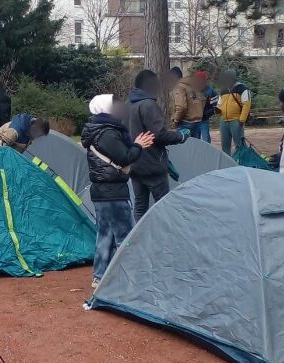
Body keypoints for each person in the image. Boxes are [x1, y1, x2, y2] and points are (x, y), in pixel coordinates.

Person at [81, 94, 153, 289]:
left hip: (101, 192)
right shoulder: (108, 133)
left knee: (105, 235)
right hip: (113, 192)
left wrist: (135, 144)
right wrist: (139, 145)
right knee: (125, 236)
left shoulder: (98, 131)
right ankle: (130, 280)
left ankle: (100, 277)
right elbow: (125, 157)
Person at [127, 69, 189, 221]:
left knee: (140, 206)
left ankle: (137, 239)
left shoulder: (127, 105)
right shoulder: (148, 105)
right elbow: (159, 135)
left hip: (134, 164)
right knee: (163, 206)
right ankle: (165, 239)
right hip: (152, 165)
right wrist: (181, 136)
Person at [217, 69, 252, 156]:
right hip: (223, 121)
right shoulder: (223, 90)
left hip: (236, 121)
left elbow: (246, 104)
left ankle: (243, 161)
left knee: (239, 144)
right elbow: (219, 103)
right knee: (225, 145)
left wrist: (242, 120)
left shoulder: (242, 88)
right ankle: (227, 163)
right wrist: (217, 109)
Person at [171, 71, 207, 137]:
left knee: (183, 146)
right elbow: (203, 101)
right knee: (194, 146)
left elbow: (181, 106)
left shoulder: (179, 87)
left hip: (185, 122)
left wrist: (176, 120)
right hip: (198, 121)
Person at [198, 71, 218, 143]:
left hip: (204, 120)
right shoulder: (191, 90)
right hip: (193, 121)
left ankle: (207, 154)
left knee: (206, 140)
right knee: (194, 141)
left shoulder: (211, 91)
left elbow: (215, 106)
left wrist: (205, 114)